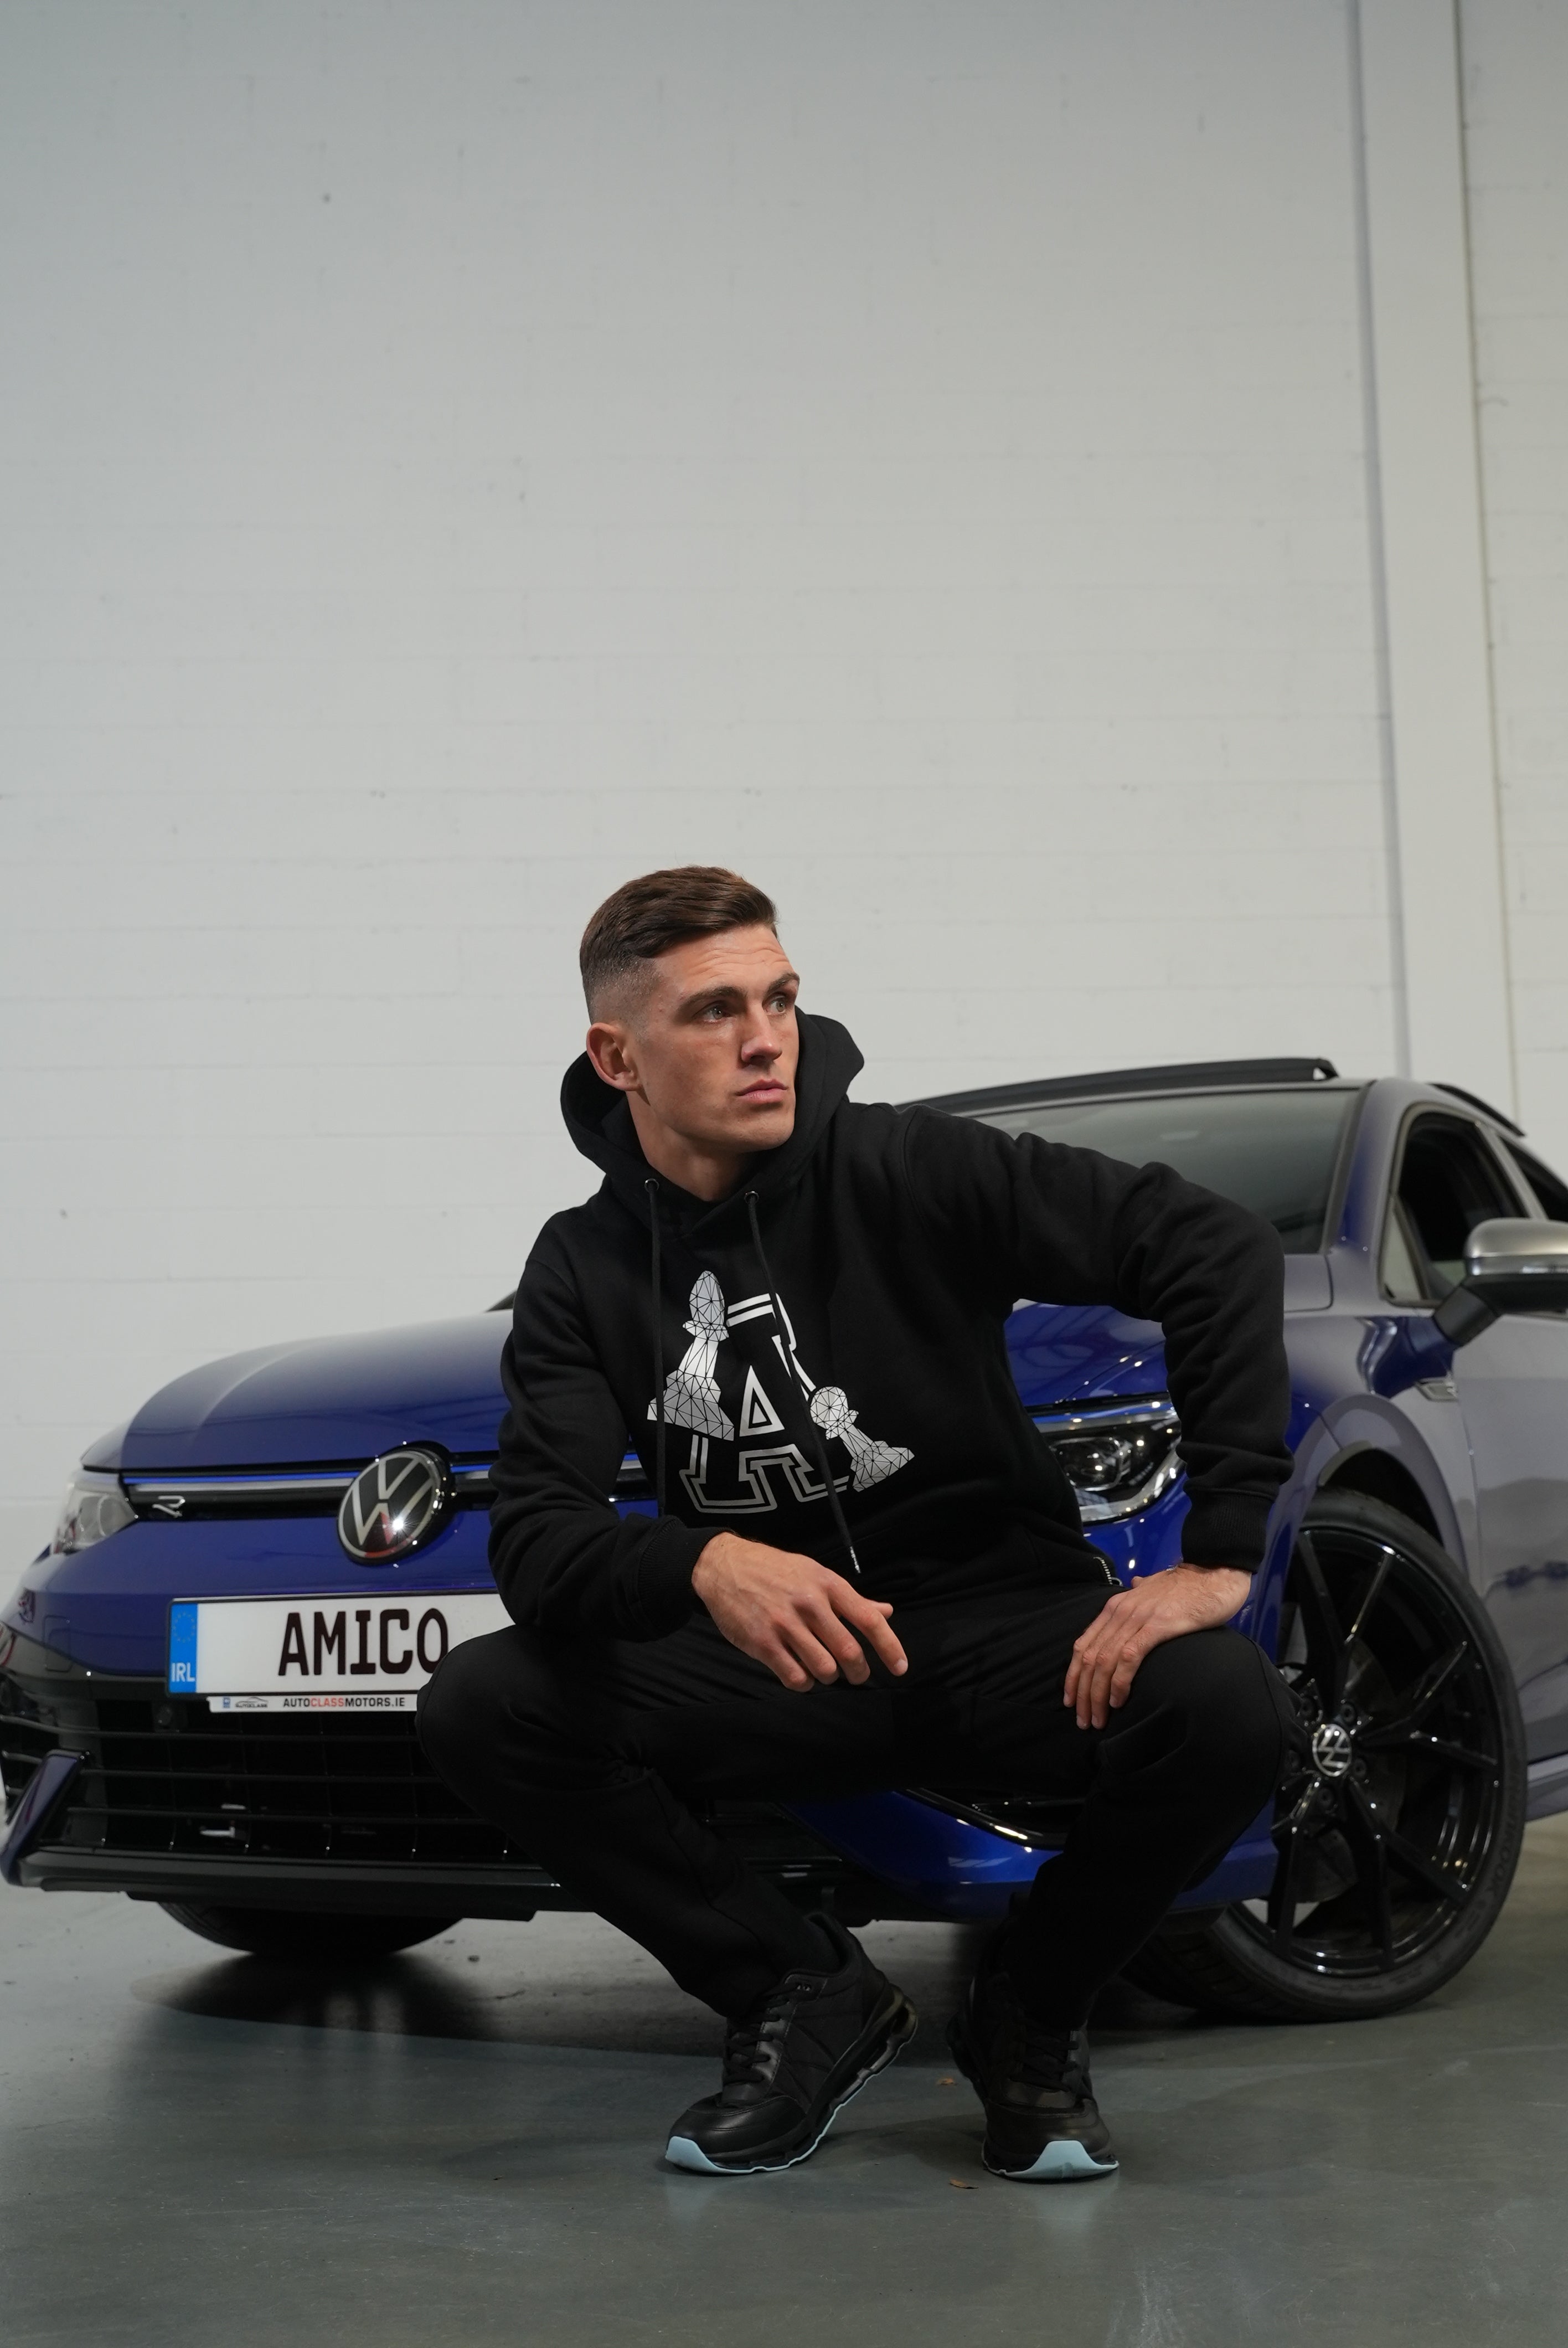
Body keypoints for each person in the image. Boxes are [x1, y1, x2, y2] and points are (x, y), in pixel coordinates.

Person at [419, 866, 1296, 2181]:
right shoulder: (584, 1264)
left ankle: (1030, 2009)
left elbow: (1213, 1246)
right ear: (618, 1056)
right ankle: (800, 1990)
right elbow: (536, 1543)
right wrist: (703, 1561)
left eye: (778, 998)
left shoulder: (912, 1166)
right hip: (784, 1667)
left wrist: (1221, 1551)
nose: (765, 1037)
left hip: (1001, 1632)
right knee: (487, 1701)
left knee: (1227, 1703)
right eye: (714, 1010)